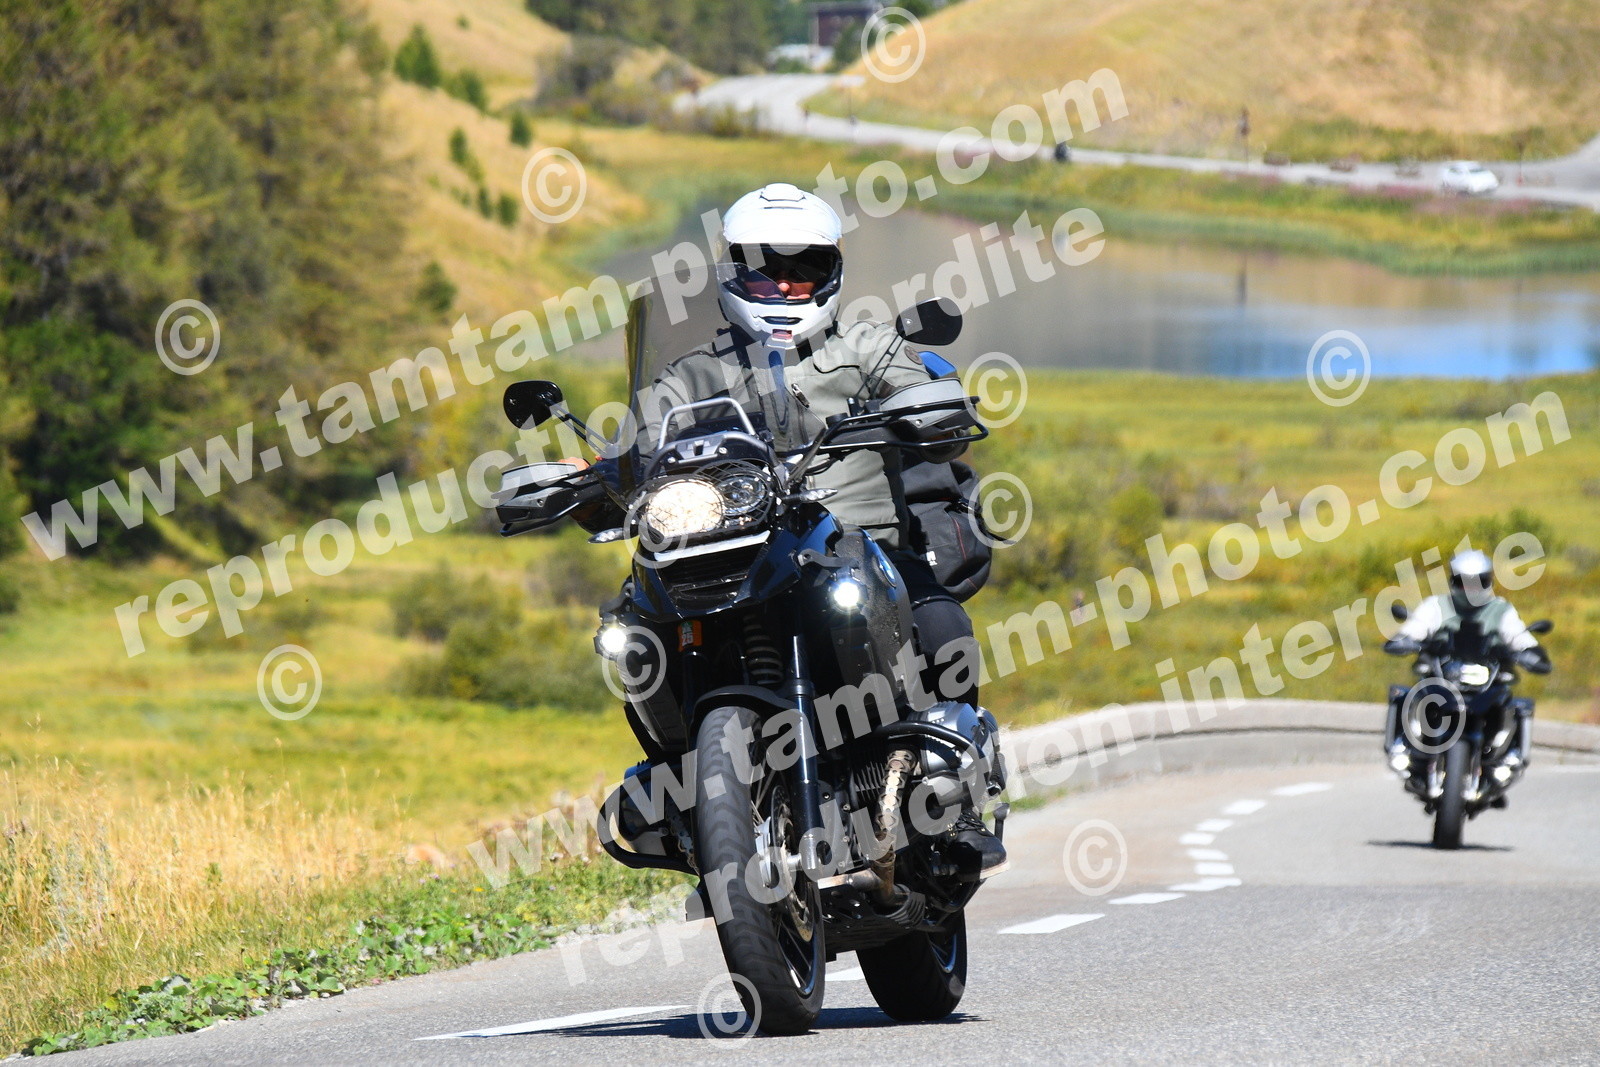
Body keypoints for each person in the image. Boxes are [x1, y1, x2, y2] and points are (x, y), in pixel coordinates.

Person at [712, 181, 1004, 875]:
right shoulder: (700, 370)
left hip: (867, 551)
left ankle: (957, 802)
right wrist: (592, 471)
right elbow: (641, 439)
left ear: (831, 273)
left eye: (803, 268)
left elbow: (918, 385)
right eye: (766, 268)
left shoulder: (868, 345)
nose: (785, 284)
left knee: (942, 629)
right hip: (750, 558)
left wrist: (933, 403)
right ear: (734, 270)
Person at [1382, 548, 1552, 783]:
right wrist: (1406, 639)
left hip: (1487, 679)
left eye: (1478, 583)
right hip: (1442, 676)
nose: (1470, 589)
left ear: (1488, 581)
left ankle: (1507, 754)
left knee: (1515, 704)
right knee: (1406, 694)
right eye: (1463, 583)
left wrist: (1530, 653)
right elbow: (1417, 626)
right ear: (1453, 581)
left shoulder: (1501, 610)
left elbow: (1518, 635)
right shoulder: (1436, 606)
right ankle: (1406, 746)